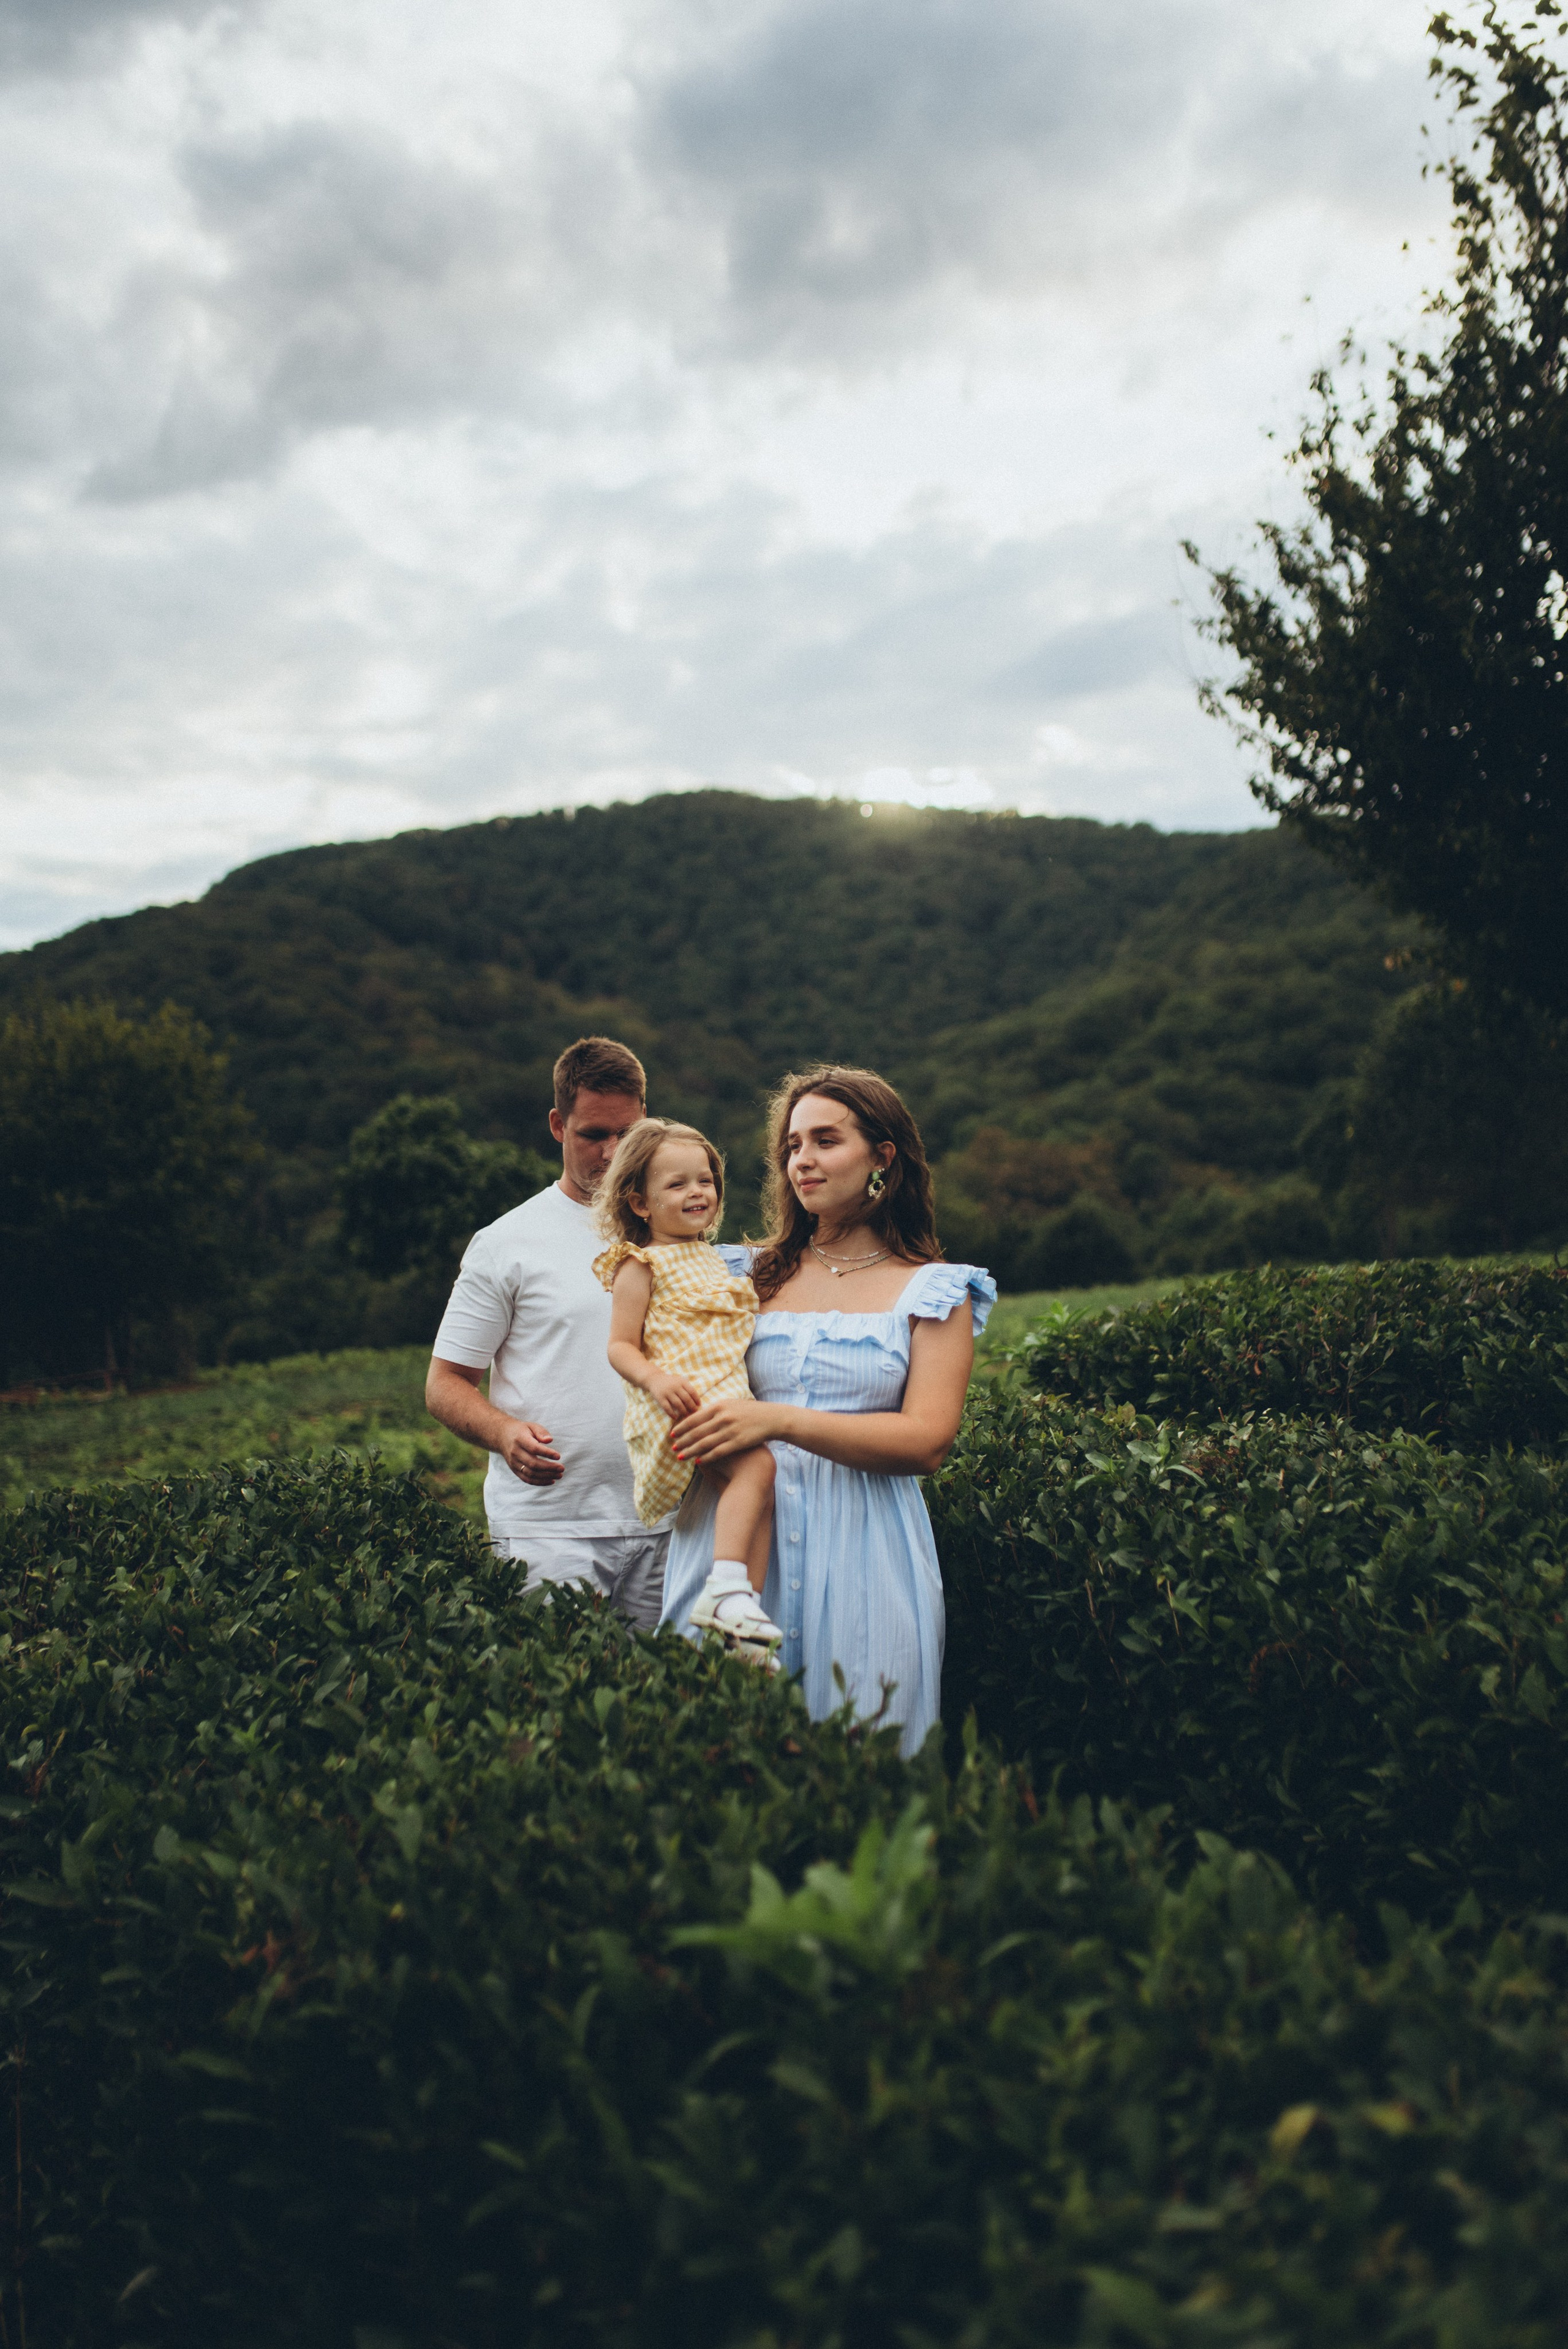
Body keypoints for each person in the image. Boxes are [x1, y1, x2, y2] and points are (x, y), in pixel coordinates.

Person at [658, 1065, 994, 1755]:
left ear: (883, 1157)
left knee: (867, 1754)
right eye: (791, 1145)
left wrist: (777, 1420)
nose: (802, 1160)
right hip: (736, 1545)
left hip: (867, 1547)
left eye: (825, 1140)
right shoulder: (737, 1275)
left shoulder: (933, 1292)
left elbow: (927, 1440)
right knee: (718, 1764)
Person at [424, 1035, 669, 1627]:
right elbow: (445, 1383)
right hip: (550, 1533)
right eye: (593, 1135)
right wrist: (504, 1433)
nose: (612, 1153)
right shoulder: (507, 1242)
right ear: (559, 1125)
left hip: (669, 1525)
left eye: (627, 1134)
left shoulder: (672, 1229)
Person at [592, 1117, 781, 1663]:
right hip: (680, 1400)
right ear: (641, 1203)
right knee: (758, 1470)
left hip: (719, 1392)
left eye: (705, 1179)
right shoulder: (640, 1263)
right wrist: (656, 1378)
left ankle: (744, 1611)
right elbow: (620, 1346)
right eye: (677, 1184)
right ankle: (725, 1589)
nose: (697, 1192)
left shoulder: (712, 1257)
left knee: (758, 1488)